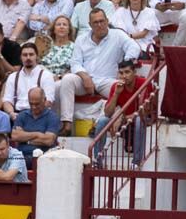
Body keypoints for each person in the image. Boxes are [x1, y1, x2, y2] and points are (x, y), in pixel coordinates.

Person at [57, 8, 141, 136]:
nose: (99, 25)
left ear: (107, 21)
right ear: (90, 25)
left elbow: (134, 47)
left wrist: (125, 65)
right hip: (85, 79)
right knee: (67, 80)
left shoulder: (117, 35)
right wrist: (85, 77)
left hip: (108, 80)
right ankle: (67, 124)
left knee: (119, 88)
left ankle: (99, 125)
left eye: (102, 21)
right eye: (95, 22)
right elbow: (75, 62)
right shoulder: (82, 39)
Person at [1, 42, 56, 117]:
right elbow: (7, 100)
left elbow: (49, 101)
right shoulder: (12, 77)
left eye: (31, 54)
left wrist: (34, 115)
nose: (28, 58)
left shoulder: (46, 75)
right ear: (20, 57)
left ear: (36, 56)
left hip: (39, 115)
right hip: (17, 115)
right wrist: (11, 113)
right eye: (25, 55)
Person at [12, 88, 60, 161]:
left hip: (44, 157)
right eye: (31, 104)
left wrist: (25, 139)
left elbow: (48, 140)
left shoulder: (52, 117)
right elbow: (15, 136)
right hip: (22, 156)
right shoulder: (22, 115)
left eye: (37, 104)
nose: (34, 107)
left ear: (44, 100)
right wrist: (37, 134)